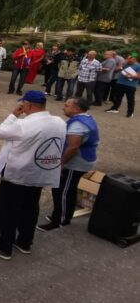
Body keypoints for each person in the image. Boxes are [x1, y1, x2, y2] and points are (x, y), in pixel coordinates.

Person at [0, 91, 66, 260]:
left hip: (18, 172)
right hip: (39, 172)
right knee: (30, 208)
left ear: (28, 105)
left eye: (23, 105)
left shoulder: (23, 124)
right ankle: (25, 242)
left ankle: (4, 245)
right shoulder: (59, 122)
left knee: (8, 209)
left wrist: (14, 114)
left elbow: (0, 132)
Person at [38, 97, 98, 231]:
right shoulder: (85, 118)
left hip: (75, 163)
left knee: (64, 191)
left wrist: (61, 164)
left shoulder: (78, 125)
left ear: (77, 109)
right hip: (81, 161)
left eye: (67, 105)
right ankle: (59, 215)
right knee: (64, 189)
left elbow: (73, 147)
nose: (63, 107)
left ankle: (60, 220)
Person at [106, 54, 139, 118]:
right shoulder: (125, 64)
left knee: (130, 99)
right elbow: (116, 70)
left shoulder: (138, 66)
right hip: (120, 83)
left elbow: (138, 76)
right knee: (117, 97)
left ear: (134, 59)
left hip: (130, 85)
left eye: (130, 58)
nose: (128, 59)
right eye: (127, 58)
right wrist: (123, 63)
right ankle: (114, 109)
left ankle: (130, 112)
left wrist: (130, 76)